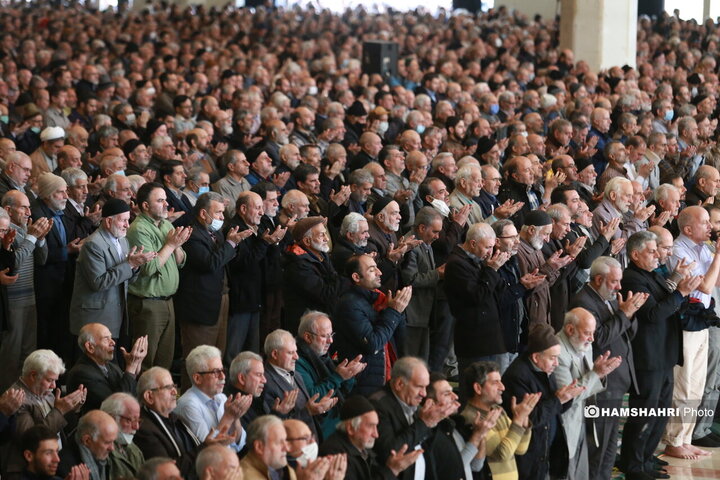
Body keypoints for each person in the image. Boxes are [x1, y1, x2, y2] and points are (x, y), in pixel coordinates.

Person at [619, 231, 701, 480]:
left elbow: (667, 300)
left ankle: (645, 459)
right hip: (648, 357)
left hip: (663, 355)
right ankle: (633, 465)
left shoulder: (651, 274)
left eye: (658, 250)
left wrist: (679, 289)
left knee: (660, 413)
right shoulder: (632, 279)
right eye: (652, 252)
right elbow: (652, 314)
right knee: (645, 412)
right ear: (635, 255)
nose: (658, 255)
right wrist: (680, 293)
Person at [569, 256, 647, 480]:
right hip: (600, 385)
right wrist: (624, 314)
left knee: (611, 444)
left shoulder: (609, 296)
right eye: (614, 281)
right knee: (598, 446)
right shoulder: (582, 302)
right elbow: (599, 338)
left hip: (617, 380)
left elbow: (628, 333)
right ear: (599, 279)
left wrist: (629, 314)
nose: (619, 287)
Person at [174, 192, 250, 388]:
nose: (222, 218)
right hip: (199, 306)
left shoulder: (215, 232)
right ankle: (190, 398)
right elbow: (210, 263)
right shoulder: (192, 234)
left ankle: (214, 394)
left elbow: (225, 257)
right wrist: (231, 243)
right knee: (198, 358)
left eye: (223, 213)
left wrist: (234, 243)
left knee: (218, 353)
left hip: (220, 299)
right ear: (203, 213)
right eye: (218, 213)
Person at [501, 323, 585, 480]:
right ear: (536, 357)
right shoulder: (517, 377)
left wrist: (566, 397)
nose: (556, 363)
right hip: (528, 457)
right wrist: (558, 400)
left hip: (546, 451)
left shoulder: (544, 368)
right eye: (553, 358)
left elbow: (555, 408)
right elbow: (530, 419)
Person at [69, 198, 156, 340]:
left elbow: (127, 279)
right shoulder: (93, 244)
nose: (128, 225)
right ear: (109, 221)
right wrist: (130, 265)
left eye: (128, 220)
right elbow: (99, 282)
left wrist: (135, 266)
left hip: (117, 313)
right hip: (96, 318)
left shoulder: (123, 240)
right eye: (123, 221)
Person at [126, 182, 190, 371]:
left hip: (168, 301)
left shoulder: (166, 224)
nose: (166, 204)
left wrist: (177, 245)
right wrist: (170, 245)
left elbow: (181, 261)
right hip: (148, 304)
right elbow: (148, 268)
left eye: (166, 200)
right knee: (145, 361)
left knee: (164, 360)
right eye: (160, 200)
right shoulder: (139, 229)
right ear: (145, 206)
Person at [554, 308, 621, 480]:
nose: (592, 339)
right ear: (570, 329)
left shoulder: (584, 344)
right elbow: (568, 396)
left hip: (582, 422)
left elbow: (588, 380)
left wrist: (600, 373)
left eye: (592, 333)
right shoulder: (558, 352)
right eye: (587, 333)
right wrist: (596, 374)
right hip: (565, 426)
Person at [332, 254, 410, 395]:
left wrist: (398, 311)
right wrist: (393, 312)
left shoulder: (378, 298)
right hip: (363, 383)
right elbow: (373, 343)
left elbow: (399, 339)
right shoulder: (349, 305)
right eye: (371, 270)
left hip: (384, 375)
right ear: (356, 277)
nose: (379, 272)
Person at [370, 357, 456, 480]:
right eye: (419, 387)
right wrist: (423, 422)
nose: (424, 394)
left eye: (426, 387)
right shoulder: (378, 406)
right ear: (399, 384)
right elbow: (391, 452)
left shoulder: (412, 402)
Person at [295, 311, 365, 439]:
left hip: (336, 425)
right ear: (308, 337)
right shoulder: (297, 362)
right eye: (324, 336)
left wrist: (349, 376)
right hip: (321, 432)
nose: (331, 341)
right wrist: (338, 377)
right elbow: (314, 396)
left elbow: (341, 392)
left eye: (331, 335)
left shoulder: (323, 357)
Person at [459, 361, 534, 480]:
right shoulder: (471, 417)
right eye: (495, 383)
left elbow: (520, 449)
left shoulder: (498, 410)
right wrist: (518, 420)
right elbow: (503, 454)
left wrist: (523, 421)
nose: (502, 387)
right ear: (478, 388)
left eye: (501, 381)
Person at [319, 395, 422, 480]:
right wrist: (392, 470)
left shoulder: (362, 449)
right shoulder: (335, 454)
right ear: (350, 428)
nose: (376, 434)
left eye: (376, 426)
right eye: (370, 426)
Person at [260, 329, 335, 442]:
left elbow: (308, 412)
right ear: (275, 354)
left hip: (311, 443)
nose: (296, 357)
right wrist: (307, 411)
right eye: (290, 353)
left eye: (296, 352)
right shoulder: (264, 383)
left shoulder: (297, 375)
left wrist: (319, 409)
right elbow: (275, 427)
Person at [175, 345, 249, 453]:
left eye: (222, 370)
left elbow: (239, 443)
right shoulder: (188, 404)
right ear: (197, 378)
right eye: (215, 372)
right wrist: (229, 416)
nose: (223, 376)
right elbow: (209, 449)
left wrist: (235, 417)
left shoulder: (221, 397)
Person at [65, 323, 146, 414]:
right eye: (106, 339)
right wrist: (131, 367)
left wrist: (136, 367)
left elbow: (132, 393)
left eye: (111, 337)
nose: (113, 342)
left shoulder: (111, 366)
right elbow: (116, 406)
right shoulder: (81, 373)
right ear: (90, 347)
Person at [57, 410, 118, 480]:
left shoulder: (104, 458)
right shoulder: (65, 467)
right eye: (107, 442)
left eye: (113, 442)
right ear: (87, 440)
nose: (112, 448)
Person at [100, 393, 146, 480]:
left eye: (138, 420)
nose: (136, 427)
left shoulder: (134, 450)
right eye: (131, 420)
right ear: (111, 418)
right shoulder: (100, 450)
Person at [239, 415, 297, 480]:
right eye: (279, 442)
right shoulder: (245, 477)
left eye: (285, 440)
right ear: (259, 447)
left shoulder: (277, 465)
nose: (287, 448)